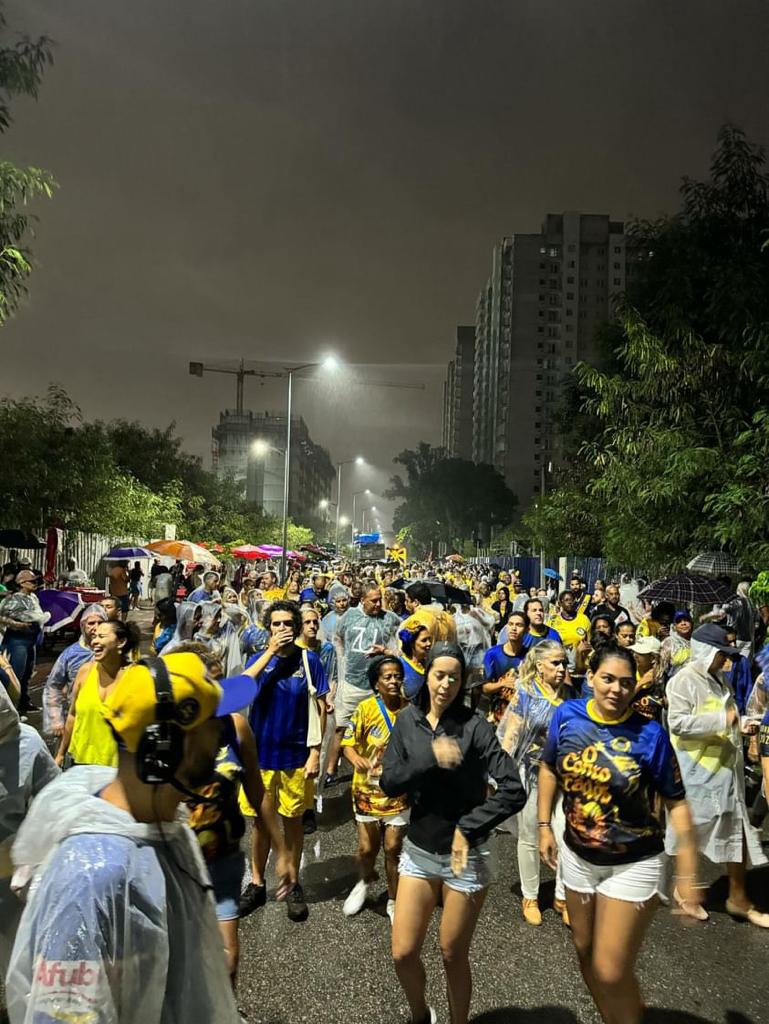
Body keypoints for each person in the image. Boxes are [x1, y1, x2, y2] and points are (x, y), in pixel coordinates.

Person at [7, 651, 254, 1023]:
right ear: (165, 747)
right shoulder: (91, 876)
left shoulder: (166, 827)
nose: (224, 737)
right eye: (214, 726)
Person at [538, 642, 701, 1024]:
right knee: (583, 949)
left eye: (626, 683)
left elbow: (677, 803)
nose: (616, 690)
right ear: (590, 677)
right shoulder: (567, 716)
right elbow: (548, 768)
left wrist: (689, 874)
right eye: (607, 679)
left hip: (634, 861)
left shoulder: (650, 735)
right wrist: (544, 825)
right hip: (578, 857)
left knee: (610, 968)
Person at [380, 643, 526, 1024]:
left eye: (454, 677)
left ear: (463, 681)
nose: (445, 684)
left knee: (451, 953)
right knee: (403, 952)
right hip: (420, 850)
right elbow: (389, 782)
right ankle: (419, 1015)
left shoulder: (474, 725)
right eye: (438, 674)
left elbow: (514, 788)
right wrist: (430, 756)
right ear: (426, 675)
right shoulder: (407, 721)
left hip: (467, 856)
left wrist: (469, 826)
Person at [180, 644, 291, 989]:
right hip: (174, 864)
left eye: (219, 684)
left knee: (228, 959)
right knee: (179, 960)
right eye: (206, 684)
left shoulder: (236, 727)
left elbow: (257, 792)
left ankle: (225, 1011)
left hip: (222, 860)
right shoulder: (165, 731)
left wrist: (283, 851)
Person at [665, 623, 769, 926]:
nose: (727, 660)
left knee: (736, 832)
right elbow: (679, 723)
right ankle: (684, 892)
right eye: (722, 653)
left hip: (725, 773)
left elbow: (729, 718)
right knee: (690, 834)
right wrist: (722, 720)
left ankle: (738, 898)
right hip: (697, 774)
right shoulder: (683, 681)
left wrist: (741, 723)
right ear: (705, 651)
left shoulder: (717, 680)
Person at [238, 600, 328, 922]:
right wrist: (269, 654)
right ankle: (257, 884)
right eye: (276, 624)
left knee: (292, 823)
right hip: (259, 758)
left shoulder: (310, 660)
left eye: (288, 624)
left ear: (298, 626)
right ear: (268, 628)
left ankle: (292, 883)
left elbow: (320, 708)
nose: (283, 630)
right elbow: (240, 690)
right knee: (261, 824)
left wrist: (316, 752)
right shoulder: (258, 661)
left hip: (295, 758)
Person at [497, 641, 571, 926]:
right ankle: (530, 895)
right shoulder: (526, 694)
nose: (562, 668)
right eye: (555, 663)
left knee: (566, 834)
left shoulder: (571, 694)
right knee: (530, 835)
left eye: (564, 662)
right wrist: (502, 773)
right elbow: (510, 734)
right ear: (540, 666)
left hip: (565, 778)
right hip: (532, 774)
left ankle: (562, 894)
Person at [341, 655, 410, 923]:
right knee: (367, 848)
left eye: (397, 676)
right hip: (366, 791)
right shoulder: (365, 709)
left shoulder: (411, 711)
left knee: (393, 848)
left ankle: (394, 900)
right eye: (387, 677)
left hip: (398, 793)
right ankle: (363, 882)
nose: (393, 681)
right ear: (376, 684)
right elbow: (348, 743)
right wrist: (356, 759)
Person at [0, 679, 59, 981]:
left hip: (11, 873)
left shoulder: (28, 743)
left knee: (17, 958)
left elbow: (55, 801)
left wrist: (34, 854)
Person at [327, 583, 401, 789]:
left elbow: (402, 644)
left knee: (381, 727)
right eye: (373, 600)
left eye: (380, 599)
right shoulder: (348, 617)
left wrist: (387, 651)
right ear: (362, 600)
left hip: (379, 686)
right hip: (352, 683)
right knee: (341, 727)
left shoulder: (390, 619)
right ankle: (331, 769)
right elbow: (337, 638)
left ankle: (381, 766)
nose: (378, 604)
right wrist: (344, 661)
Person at [55, 621, 141, 768]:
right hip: (80, 762)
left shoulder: (137, 677)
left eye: (101, 636)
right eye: (94, 636)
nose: (94, 641)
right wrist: (61, 754)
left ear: (121, 642)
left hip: (118, 767)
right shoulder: (85, 671)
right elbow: (72, 715)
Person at [42, 603, 108, 740]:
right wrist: (56, 719)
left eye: (100, 622)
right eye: (91, 623)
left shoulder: (114, 651)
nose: (95, 627)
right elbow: (53, 685)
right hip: (77, 718)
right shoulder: (70, 654)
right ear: (83, 626)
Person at [0, 569, 48, 715]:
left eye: (35, 581)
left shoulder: (33, 597)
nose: (35, 583)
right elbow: (1, 616)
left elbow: (37, 616)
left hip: (30, 640)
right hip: (17, 640)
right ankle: (10, 709)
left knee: (27, 673)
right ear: (22, 583)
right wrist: (16, 624)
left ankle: (23, 703)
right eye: (32, 581)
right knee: (16, 674)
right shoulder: (13, 599)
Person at [482, 610, 528, 725]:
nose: (513, 628)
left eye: (519, 625)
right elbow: (484, 687)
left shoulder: (530, 656)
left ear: (527, 630)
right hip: (497, 714)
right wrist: (502, 684)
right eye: (511, 624)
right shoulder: (493, 654)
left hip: (521, 716)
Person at [398, 612, 435, 701]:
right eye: (424, 640)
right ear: (411, 644)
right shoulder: (400, 666)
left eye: (429, 639)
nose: (429, 643)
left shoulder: (430, 663)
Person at [628, 636, 665, 722]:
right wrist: (640, 684)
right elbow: (621, 702)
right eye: (634, 652)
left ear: (652, 658)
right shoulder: (629, 674)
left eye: (639, 653)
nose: (634, 655)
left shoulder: (663, 680)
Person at [659, 611, 693, 684]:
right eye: (679, 621)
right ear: (674, 626)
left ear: (691, 623)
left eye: (686, 620)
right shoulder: (669, 643)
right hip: (675, 685)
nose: (683, 623)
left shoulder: (697, 642)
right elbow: (661, 669)